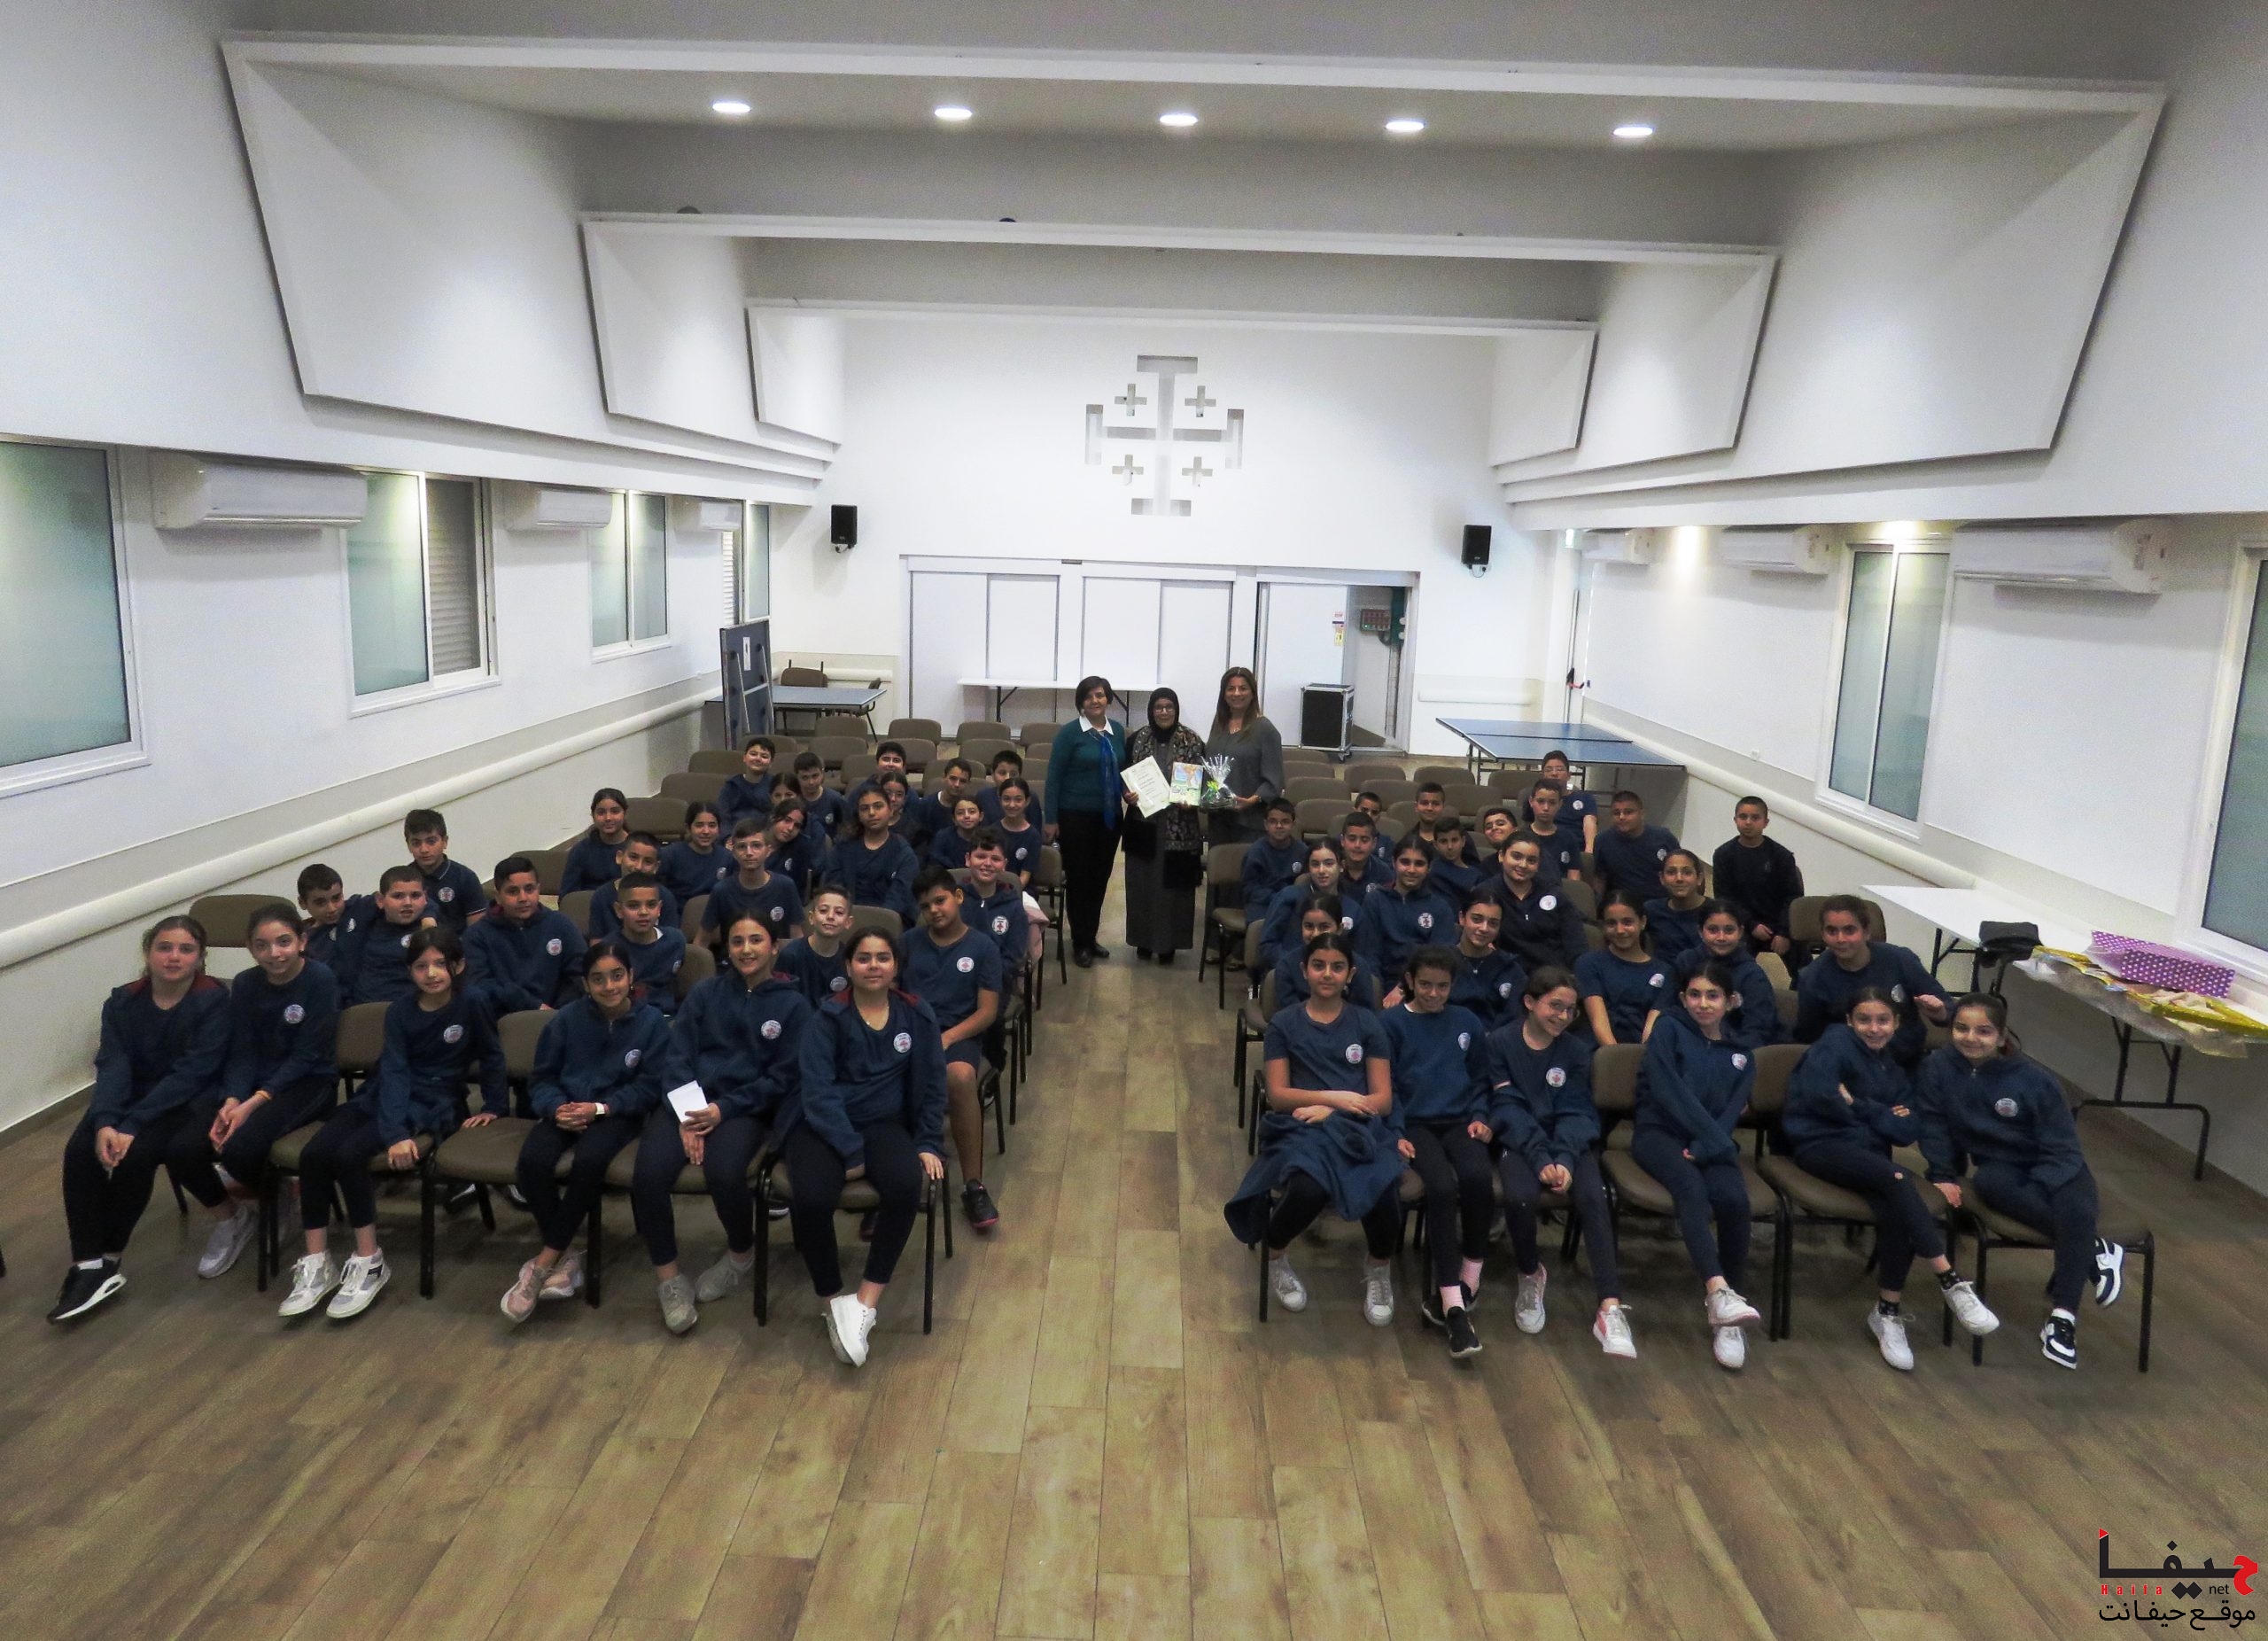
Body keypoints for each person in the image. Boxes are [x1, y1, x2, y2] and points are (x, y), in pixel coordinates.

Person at [280, 929, 505, 1321]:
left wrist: (495, 1105)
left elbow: (492, 1055)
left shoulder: (473, 1002)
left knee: (349, 1156)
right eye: (421, 966)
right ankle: (316, 1262)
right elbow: (395, 1073)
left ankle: (370, 1260)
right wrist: (396, 1132)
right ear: (409, 971)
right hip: (384, 1091)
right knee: (315, 1154)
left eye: (440, 964)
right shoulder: (400, 1010)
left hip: (435, 1101)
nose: (431, 973)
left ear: (458, 966)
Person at [1784, 991, 2000, 1369]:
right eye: (1864, 1020)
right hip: (1819, 1146)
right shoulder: (1833, 1044)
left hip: (1869, 1157)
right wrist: (1880, 1116)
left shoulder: (1894, 1069)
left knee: (1898, 1205)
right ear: (1849, 1021)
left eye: (1883, 1020)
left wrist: (1858, 1105)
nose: (1874, 1028)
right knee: (1899, 1179)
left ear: (1896, 1024)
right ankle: (1950, 1280)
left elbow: (1907, 1129)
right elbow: (1822, 1098)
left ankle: (1887, 1311)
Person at [1919, 993, 2123, 1371]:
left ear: (2001, 1037)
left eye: (1983, 1031)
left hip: (2058, 1164)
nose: (1970, 1038)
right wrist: (1942, 1173)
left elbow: (2063, 1146)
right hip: (2002, 1167)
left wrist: (2044, 1184)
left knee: (2076, 1211)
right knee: (1991, 1184)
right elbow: (1933, 1124)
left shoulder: (2035, 1080)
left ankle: (2063, 1318)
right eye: (1961, 1028)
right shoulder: (1937, 1068)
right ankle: (2094, 1248)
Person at [633, 912, 810, 1332]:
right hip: (687, 1103)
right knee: (649, 1174)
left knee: (724, 1170)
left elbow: (783, 1077)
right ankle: (669, 1278)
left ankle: (740, 1254)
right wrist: (688, 1114)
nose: (746, 949)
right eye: (737, 941)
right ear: (726, 948)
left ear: (774, 947)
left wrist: (722, 1110)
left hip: (743, 1108)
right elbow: (677, 1057)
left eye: (756, 940)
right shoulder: (704, 993)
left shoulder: (793, 1005)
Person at [49, 916, 231, 1323]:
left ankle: (109, 1258)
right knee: (80, 1151)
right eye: (164, 947)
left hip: (187, 1099)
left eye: (185, 949)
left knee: (136, 1155)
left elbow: (192, 1073)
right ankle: (87, 1264)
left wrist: (131, 1126)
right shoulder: (122, 1001)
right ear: (148, 953)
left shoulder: (213, 1000)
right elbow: (114, 1065)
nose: (173, 957)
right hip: (133, 1096)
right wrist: (105, 1122)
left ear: (201, 957)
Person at [788, 927, 950, 1367]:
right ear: (848, 966)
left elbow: (933, 1084)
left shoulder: (916, 1014)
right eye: (863, 958)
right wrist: (851, 1153)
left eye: (882, 958)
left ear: (896, 965)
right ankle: (830, 1303)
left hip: (884, 1125)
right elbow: (817, 1092)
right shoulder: (827, 1018)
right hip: (823, 1126)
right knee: (811, 1197)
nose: (873, 966)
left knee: (905, 1185)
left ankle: (864, 1304)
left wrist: (927, 1140)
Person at [1225, 932, 1402, 1326]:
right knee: (1309, 1188)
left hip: (1358, 1126)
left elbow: (1382, 1100)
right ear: (1304, 970)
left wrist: (1336, 1110)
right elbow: (1278, 1095)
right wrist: (1331, 1100)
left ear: (1350, 974)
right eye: (1319, 965)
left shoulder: (1368, 1024)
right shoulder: (1284, 1023)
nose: (1327, 974)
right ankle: (1275, 1253)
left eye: (1337, 967)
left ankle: (1378, 1268)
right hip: (1300, 1126)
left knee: (1384, 1186)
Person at [501, 940, 675, 1322]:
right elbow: (542, 1079)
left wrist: (600, 1108)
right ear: (585, 984)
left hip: (616, 1113)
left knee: (590, 1161)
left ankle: (545, 1261)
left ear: (631, 977)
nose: (609, 986)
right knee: (532, 1163)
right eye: (598, 979)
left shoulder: (651, 1023)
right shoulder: (565, 1020)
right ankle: (567, 1254)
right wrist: (556, 1108)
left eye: (617, 976)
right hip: (566, 1109)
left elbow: (650, 1087)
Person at [167, 903, 340, 1280]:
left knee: (240, 1149)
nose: (274, 953)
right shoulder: (246, 984)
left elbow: (307, 1056)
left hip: (308, 1082)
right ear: (250, 948)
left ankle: (275, 1195)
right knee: (180, 1147)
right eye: (262, 946)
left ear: (302, 941)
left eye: (283, 942)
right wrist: (232, 1099)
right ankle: (232, 1216)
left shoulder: (320, 979)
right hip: (252, 1084)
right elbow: (242, 1050)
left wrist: (253, 1103)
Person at [1630, 962, 1767, 1370]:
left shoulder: (1742, 1054)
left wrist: (1710, 1145)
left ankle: (1731, 1313)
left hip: (1710, 1144)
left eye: (1712, 996)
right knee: (1691, 1189)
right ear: (1682, 998)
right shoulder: (1668, 1030)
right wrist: (1711, 1141)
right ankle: (1716, 1290)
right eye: (1694, 994)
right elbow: (1668, 1092)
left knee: (1734, 1200)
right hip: (1659, 1135)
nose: (1703, 1003)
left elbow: (1731, 1112)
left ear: (1730, 1001)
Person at [1487, 967, 1630, 1355]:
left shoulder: (1577, 1051)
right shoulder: (1500, 1043)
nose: (1563, 1016)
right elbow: (1507, 1107)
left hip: (1568, 1142)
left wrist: (1564, 1158)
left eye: (1570, 1010)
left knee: (1594, 1197)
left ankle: (1610, 1304)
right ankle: (1530, 1273)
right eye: (1555, 1006)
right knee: (1520, 1197)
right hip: (1521, 1141)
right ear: (1530, 1002)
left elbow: (1578, 1111)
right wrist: (1539, 1158)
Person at [1383, 946, 1494, 1360]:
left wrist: (1480, 1115)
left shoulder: (1467, 1022)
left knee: (1479, 1179)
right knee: (1442, 1189)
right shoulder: (1391, 1023)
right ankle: (1452, 1303)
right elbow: (1387, 1086)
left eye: (1442, 986)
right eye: (1425, 984)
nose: (1433, 993)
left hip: (1459, 1121)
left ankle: (1471, 1275)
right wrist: (1395, 1132)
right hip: (1416, 1124)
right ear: (1410, 981)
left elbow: (1481, 1078)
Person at [906, 867, 1004, 1231]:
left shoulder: (982, 947)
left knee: (960, 1078)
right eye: (926, 906)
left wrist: (946, 1038)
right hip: (910, 1032)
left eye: (940, 901)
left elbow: (987, 1012)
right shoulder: (908, 943)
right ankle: (894, 1182)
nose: (934, 910)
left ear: (958, 897)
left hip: (959, 1035)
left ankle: (973, 1186)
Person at [1792, 895, 1948, 1065]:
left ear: (1866, 932)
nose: (1840, 939)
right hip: (1852, 1065)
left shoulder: (1900, 960)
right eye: (1832, 931)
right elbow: (1809, 1038)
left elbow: (1947, 1007)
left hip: (1908, 1061)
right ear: (1823, 934)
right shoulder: (1813, 978)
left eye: (1849, 930)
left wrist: (1940, 1014)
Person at [1119, 686, 1210, 963]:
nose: (1164, 712)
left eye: (1169, 707)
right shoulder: (1136, 739)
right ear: (1151, 710)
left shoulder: (1193, 741)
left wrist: (1194, 800)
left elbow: (1207, 783)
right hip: (1143, 824)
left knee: (1174, 890)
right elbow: (1123, 777)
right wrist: (1127, 794)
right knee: (1141, 885)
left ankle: (1170, 944)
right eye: (1158, 707)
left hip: (1180, 828)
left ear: (1176, 709)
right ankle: (1143, 941)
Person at [1045, 675, 1127, 967]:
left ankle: (1090, 936)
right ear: (1081, 702)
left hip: (1109, 818)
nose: (1095, 700)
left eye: (1100, 695)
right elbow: (1054, 777)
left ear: (1108, 699)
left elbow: (1122, 771)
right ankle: (1079, 941)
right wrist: (1051, 819)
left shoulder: (1117, 731)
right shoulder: (1070, 733)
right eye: (1089, 696)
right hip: (1075, 815)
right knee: (1079, 880)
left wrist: (1128, 791)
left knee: (1099, 879)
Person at [463, 853, 586, 1019]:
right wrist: (531, 1004)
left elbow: (580, 974)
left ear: (538, 889)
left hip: (560, 1016)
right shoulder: (477, 935)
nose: (523, 898)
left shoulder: (561, 925)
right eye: (513, 891)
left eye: (529, 889)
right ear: (498, 897)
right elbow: (480, 984)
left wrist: (557, 1013)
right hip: (501, 1021)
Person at [1360, 836, 1460, 995]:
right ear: (1394, 862)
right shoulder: (1375, 900)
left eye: (1419, 864)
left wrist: (1403, 988)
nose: (1411, 870)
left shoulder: (1440, 908)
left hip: (1424, 988)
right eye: (1405, 862)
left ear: (1429, 867)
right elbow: (1370, 955)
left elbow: (1439, 961)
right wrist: (1376, 993)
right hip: (1381, 985)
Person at [1680, 901, 1783, 1047]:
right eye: (1713, 930)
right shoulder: (1686, 962)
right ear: (1700, 932)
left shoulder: (1752, 975)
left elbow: (1758, 1031)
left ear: (1740, 932)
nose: (1721, 937)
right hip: (1690, 1044)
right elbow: (1672, 1009)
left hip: (1737, 1047)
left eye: (1729, 930)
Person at [1712, 797, 1805, 958]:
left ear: (1765, 822)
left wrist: (1784, 932)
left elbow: (1793, 896)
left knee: (1805, 966)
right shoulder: (1723, 855)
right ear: (1735, 820)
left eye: (1755, 818)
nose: (1748, 822)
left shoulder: (1781, 856)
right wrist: (1751, 925)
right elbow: (1724, 898)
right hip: (1741, 923)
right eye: (1743, 817)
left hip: (1778, 924)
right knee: (1734, 961)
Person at [1574, 891, 1669, 1046]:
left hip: (1643, 1052)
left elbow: (1651, 1027)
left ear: (1643, 922)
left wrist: (1641, 1057)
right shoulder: (1589, 963)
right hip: (1599, 1051)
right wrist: (1617, 1058)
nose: (1620, 930)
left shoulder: (1665, 971)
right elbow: (1599, 1023)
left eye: (1627, 922)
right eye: (1611, 923)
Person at [1205, 664, 1285, 846]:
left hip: (1250, 821)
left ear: (1252, 693)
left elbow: (1274, 779)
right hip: (1218, 817)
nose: (1237, 693)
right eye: (1231, 688)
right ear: (1223, 694)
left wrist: (1251, 801)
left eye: (1243, 688)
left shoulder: (1265, 729)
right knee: (1219, 863)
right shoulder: (1219, 724)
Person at [1256, 839, 1361, 973]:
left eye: (1329, 863)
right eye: (1315, 864)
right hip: (1292, 971)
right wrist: (1297, 967)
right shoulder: (1288, 897)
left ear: (1341, 866)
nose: (1321, 870)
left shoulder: (1353, 908)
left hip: (1334, 977)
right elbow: (1268, 945)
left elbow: (1359, 954)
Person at [334, 867, 432, 1006]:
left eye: (415, 895)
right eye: (398, 896)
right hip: (362, 1009)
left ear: (425, 897)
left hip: (410, 1010)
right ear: (380, 900)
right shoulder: (366, 923)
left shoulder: (431, 931)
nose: (408, 903)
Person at [702, 819, 805, 949]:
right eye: (742, 847)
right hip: (735, 958)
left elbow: (797, 938)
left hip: (776, 958)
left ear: (768, 851)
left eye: (756, 845)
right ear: (734, 853)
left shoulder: (786, 886)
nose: (749, 852)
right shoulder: (721, 890)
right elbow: (702, 941)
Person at [1491, 836, 1585, 975]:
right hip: (1507, 975)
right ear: (1501, 856)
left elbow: (1576, 945)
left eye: (1531, 860)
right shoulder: (1487, 894)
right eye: (1516, 857)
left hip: (1554, 976)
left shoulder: (1555, 894)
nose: (1523, 865)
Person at [1273, 894, 1381, 1010]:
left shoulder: (1358, 965)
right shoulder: (1287, 966)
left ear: (1339, 929)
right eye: (1309, 926)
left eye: (1324, 927)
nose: (1315, 934)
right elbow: (1289, 1015)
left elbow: (1364, 1014)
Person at [1443, 890, 1524, 1031]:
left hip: (1496, 1041)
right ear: (1462, 918)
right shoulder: (1440, 962)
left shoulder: (1510, 969)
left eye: (1493, 923)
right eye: (1476, 919)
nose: (1484, 928)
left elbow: (1515, 1017)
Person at [613, 873, 689, 1019]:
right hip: (629, 1019)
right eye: (633, 906)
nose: (643, 912)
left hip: (669, 1018)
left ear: (659, 909)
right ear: (619, 910)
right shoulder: (610, 950)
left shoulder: (676, 940)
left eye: (651, 905)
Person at [836, 788, 920, 921]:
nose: (871, 813)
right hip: (846, 920)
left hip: (889, 923)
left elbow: (898, 899)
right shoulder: (843, 847)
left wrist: (875, 921)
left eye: (878, 806)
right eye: (864, 808)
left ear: (890, 810)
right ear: (858, 814)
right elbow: (834, 889)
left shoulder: (904, 853)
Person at [404, 808, 486, 931]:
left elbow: (477, 931)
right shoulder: (403, 880)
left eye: (431, 841)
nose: (424, 849)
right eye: (416, 843)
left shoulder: (465, 877)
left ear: (445, 842)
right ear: (408, 845)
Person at [588, 833, 680, 939]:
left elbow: (671, 940)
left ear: (656, 867)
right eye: (633, 857)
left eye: (648, 861)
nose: (639, 867)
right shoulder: (601, 896)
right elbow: (596, 942)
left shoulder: (665, 896)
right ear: (619, 857)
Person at [1593, 790, 1680, 901]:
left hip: (1660, 902)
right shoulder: (1603, 840)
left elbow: (1679, 871)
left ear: (1642, 814)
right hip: (1622, 903)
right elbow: (1600, 878)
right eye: (1616, 813)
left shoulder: (1664, 837)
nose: (1622, 817)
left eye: (1628, 812)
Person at [778, 883, 855, 1008]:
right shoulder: (790, 955)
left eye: (839, 912)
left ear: (848, 922)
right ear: (811, 917)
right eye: (823, 910)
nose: (830, 917)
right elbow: (781, 1000)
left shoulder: (850, 959)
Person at [1643, 849, 1710, 967]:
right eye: (1671, 872)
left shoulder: (1716, 911)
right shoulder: (1651, 910)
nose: (1679, 878)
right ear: (1662, 878)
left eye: (1687, 872)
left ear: (1699, 878)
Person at [659, 802, 734, 906]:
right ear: (688, 828)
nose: (706, 831)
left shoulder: (727, 857)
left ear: (719, 829)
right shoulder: (669, 855)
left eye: (712, 825)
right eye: (699, 825)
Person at [1522, 751, 1601, 850]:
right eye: (1549, 770)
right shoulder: (1535, 799)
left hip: (1577, 850)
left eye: (1560, 769)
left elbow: (1590, 827)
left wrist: (1589, 853)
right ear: (1542, 775)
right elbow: (1527, 829)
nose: (1554, 773)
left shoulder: (1585, 798)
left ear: (1569, 775)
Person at [561, 788, 633, 894]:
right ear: (593, 816)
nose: (608, 818)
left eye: (615, 811)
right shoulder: (580, 851)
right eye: (601, 813)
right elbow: (568, 896)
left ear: (625, 813)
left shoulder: (639, 848)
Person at [1240, 799, 1305, 914]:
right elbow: (1249, 889)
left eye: (1285, 822)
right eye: (1273, 822)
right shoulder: (1256, 852)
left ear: (1293, 825)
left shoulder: (1302, 851)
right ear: (1266, 825)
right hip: (1262, 904)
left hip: (1292, 904)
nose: (1279, 826)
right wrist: (1278, 898)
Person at [1517, 782, 1584, 887]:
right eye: (1540, 801)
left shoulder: (1569, 838)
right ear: (1531, 801)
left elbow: (1573, 880)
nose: (1546, 808)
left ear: (1560, 804)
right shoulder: (1519, 837)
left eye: (1552, 803)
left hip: (1558, 892)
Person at [768, 797, 832, 898]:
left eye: (797, 826)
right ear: (773, 818)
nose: (790, 828)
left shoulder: (801, 847)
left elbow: (798, 891)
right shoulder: (754, 840)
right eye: (787, 820)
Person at [717, 735, 777, 834]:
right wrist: (727, 838)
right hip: (734, 835)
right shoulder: (731, 785)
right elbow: (723, 817)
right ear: (744, 757)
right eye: (753, 754)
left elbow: (776, 816)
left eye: (764, 756)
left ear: (771, 763)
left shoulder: (775, 785)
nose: (758, 759)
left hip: (765, 836)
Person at [788, 751, 850, 842]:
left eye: (815, 776)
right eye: (805, 778)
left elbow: (848, 826)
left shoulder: (834, 799)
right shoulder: (792, 800)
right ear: (797, 777)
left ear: (822, 774)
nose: (811, 782)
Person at [992, 777, 1043, 886]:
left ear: (1027, 801)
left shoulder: (1033, 836)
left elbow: (1024, 877)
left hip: (1021, 889)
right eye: (1006, 799)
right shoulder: (992, 831)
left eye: (1018, 800)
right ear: (1000, 800)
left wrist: (1008, 893)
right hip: (993, 887)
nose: (1012, 805)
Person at [298, 863, 346, 971]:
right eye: (320, 903)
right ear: (302, 903)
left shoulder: (357, 909)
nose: (331, 909)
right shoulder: (304, 942)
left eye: (336, 898)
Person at [1336, 812, 1392, 902]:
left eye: (1364, 840)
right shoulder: (1331, 868)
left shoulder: (1383, 872)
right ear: (1342, 840)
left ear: (1374, 843)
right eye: (1352, 839)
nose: (1357, 845)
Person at [927, 794, 986, 873]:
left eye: (972, 812)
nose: (966, 816)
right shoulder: (942, 837)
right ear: (954, 819)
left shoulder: (988, 838)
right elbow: (934, 866)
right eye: (960, 813)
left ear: (981, 816)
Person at [1427, 817, 1481, 900]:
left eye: (1454, 840)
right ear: (1435, 845)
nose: (1450, 847)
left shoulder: (1476, 875)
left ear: (1463, 841)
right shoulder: (1431, 872)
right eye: (1444, 841)